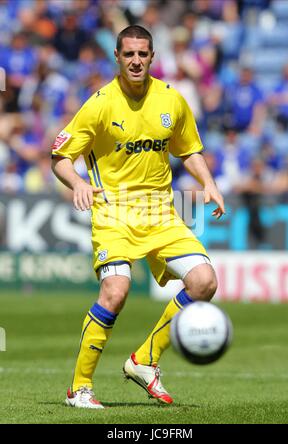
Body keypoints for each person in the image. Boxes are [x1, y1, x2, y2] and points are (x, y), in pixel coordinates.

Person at [51, 25, 225, 409]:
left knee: (204, 282)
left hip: (160, 212)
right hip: (113, 212)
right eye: (128, 54)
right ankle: (79, 388)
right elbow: (59, 157)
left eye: (142, 54)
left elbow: (189, 149)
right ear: (117, 56)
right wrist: (77, 183)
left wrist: (208, 184)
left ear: (152, 57)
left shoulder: (171, 100)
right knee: (115, 292)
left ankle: (144, 359)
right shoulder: (98, 103)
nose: (135, 61)